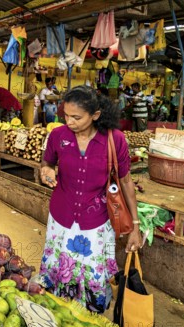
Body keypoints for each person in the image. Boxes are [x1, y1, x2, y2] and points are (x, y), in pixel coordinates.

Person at [39, 85, 142, 312]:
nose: (69, 122)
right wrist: (45, 171)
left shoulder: (115, 140)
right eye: (65, 115)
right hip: (61, 218)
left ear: (95, 115)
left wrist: (135, 226)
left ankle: (89, 317)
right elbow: (47, 163)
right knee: (58, 273)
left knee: (91, 275)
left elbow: (125, 182)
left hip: (96, 223)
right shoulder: (58, 136)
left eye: (76, 117)